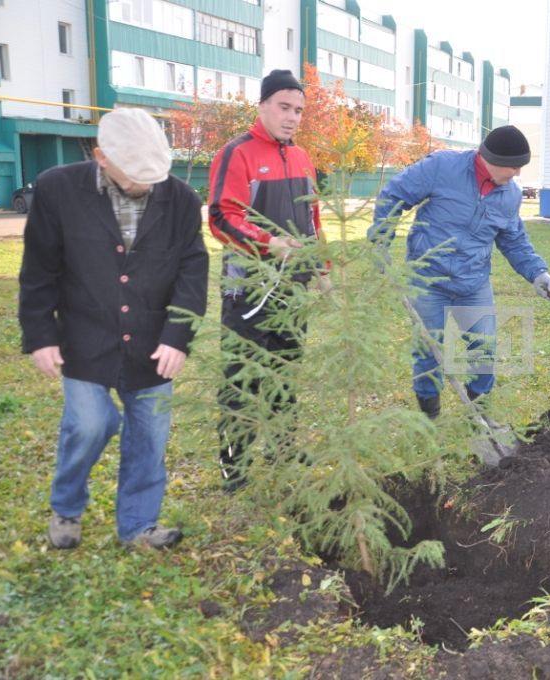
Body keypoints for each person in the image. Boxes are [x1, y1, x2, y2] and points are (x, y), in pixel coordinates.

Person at [18, 107, 208, 550]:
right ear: (102, 157)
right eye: (138, 175)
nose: (148, 185)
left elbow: (192, 270)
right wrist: (41, 336)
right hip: (86, 336)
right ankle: (66, 508)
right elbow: (39, 270)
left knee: (149, 436)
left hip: (152, 341)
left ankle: (138, 526)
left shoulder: (180, 199)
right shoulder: (56, 189)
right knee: (87, 424)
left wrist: (178, 335)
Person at [367, 125, 550, 418]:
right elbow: (394, 195)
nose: (517, 174)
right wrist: (380, 242)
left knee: (485, 350)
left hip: (473, 282)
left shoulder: (510, 195)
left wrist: (537, 271)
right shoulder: (442, 168)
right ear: (489, 158)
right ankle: (430, 416)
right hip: (428, 278)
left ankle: (478, 414)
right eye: (514, 166)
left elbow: (514, 239)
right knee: (428, 351)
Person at [208, 69, 324, 492]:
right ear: (263, 105)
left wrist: (321, 270)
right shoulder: (236, 154)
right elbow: (222, 217)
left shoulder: (302, 157)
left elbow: (312, 219)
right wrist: (268, 242)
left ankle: (281, 448)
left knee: (285, 372)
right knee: (243, 377)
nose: (292, 117)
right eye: (284, 107)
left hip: (293, 289)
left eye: (298, 110)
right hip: (249, 291)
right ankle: (234, 467)